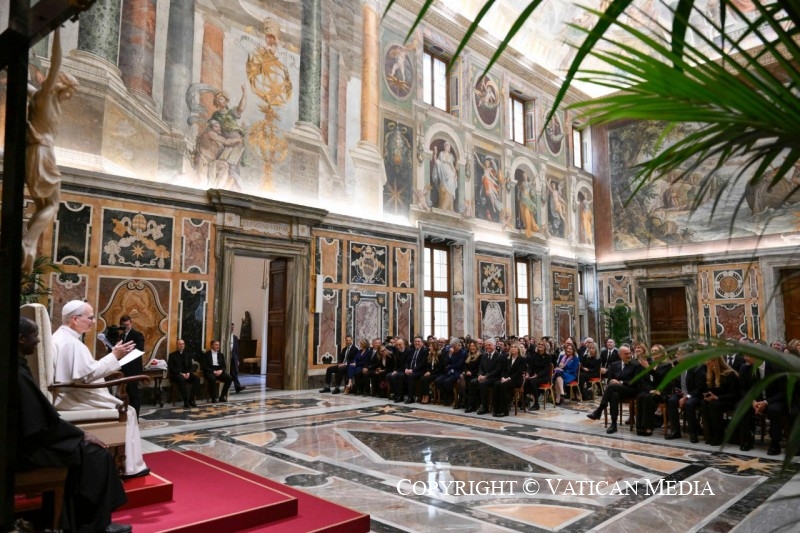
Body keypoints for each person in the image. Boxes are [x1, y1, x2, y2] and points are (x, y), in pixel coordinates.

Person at [17, 317, 131, 533]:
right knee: (98, 454)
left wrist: (76, 435)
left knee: (86, 449)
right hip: (28, 447)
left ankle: (75, 520)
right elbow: (44, 420)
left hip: (36, 432)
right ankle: (93, 525)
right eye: (89, 317)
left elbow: (41, 417)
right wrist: (80, 435)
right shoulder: (69, 344)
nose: (39, 341)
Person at [52, 300, 149, 478]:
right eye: (90, 317)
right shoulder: (71, 344)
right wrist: (114, 356)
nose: (93, 321)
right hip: (74, 398)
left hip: (68, 393)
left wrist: (111, 358)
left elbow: (83, 371)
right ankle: (129, 466)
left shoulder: (60, 337)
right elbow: (88, 375)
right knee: (129, 411)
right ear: (75, 319)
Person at [22, 28, 78, 274]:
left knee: (42, 204)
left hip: (33, 153)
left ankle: (28, 243)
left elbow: (23, 85)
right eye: (71, 90)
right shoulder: (46, 97)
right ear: (62, 86)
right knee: (52, 205)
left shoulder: (38, 98)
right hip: (44, 154)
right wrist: (56, 28)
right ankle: (27, 242)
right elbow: (56, 62)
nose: (71, 95)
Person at [586, 345, 640, 434]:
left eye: (630, 353)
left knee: (611, 388)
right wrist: (612, 381)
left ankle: (599, 410)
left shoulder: (635, 365)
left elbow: (635, 381)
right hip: (616, 390)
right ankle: (614, 424)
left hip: (631, 389)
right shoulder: (614, 365)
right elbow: (610, 380)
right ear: (620, 355)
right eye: (626, 354)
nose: (629, 355)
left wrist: (620, 382)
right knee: (614, 395)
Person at [700, 357, 740, 446]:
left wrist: (717, 397)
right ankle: (711, 433)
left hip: (731, 401)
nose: (707, 363)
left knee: (714, 404)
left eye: (708, 361)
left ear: (715, 362)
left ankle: (718, 435)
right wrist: (708, 395)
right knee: (704, 402)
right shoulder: (712, 374)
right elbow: (713, 391)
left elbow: (734, 394)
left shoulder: (729, 374)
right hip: (719, 400)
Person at [466, 340, 506, 414]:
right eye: (486, 345)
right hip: (484, 376)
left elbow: (497, 370)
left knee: (482, 383)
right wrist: (480, 375)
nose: (487, 346)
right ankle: (472, 405)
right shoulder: (484, 355)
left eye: (489, 345)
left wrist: (485, 376)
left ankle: (485, 406)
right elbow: (480, 367)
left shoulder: (499, 356)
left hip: (494, 377)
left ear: (494, 346)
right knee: (472, 382)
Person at [118, 314, 144, 414]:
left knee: (134, 393)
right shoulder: (121, 336)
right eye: (124, 325)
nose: (126, 327)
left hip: (133, 370)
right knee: (125, 393)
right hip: (123, 369)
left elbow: (140, 349)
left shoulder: (137, 334)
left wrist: (128, 350)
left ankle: (135, 416)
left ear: (131, 323)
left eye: (128, 325)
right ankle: (127, 414)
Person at [493, 342, 525, 417]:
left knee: (503, 386)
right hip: (506, 379)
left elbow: (518, 372)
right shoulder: (507, 358)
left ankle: (504, 410)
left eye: (515, 347)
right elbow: (504, 370)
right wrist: (503, 377)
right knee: (496, 384)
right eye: (512, 347)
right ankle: (496, 409)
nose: (513, 348)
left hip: (516, 380)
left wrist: (508, 378)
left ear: (518, 349)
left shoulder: (522, 359)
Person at [167, 339, 199, 408]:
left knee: (197, 379)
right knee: (181, 379)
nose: (182, 345)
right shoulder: (172, 355)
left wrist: (188, 373)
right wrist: (181, 373)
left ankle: (191, 399)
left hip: (186, 374)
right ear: (177, 345)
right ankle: (186, 401)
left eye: (183, 344)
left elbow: (191, 366)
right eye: (180, 344)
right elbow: (171, 368)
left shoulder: (188, 354)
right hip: (176, 375)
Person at [523, 339, 551, 410]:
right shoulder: (534, 356)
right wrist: (528, 374)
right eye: (539, 344)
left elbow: (546, 370)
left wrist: (537, 375)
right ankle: (524, 401)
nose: (540, 346)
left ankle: (536, 404)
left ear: (545, 347)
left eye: (542, 345)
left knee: (532, 382)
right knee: (526, 381)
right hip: (534, 376)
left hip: (543, 376)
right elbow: (530, 367)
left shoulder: (548, 357)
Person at [431, 142, 458, 211]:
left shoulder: (451, 156)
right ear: (445, 147)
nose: (448, 147)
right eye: (447, 146)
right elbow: (437, 161)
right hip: (443, 171)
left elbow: (452, 166)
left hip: (450, 173)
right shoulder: (441, 154)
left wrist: (455, 174)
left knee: (451, 187)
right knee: (444, 187)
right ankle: (444, 206)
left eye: (449, 146)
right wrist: (435, 153)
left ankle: (450, 207)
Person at [229, 322, 246, 393]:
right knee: (231, 373)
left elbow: (236, 350)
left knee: (234, 372)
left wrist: (237, 359)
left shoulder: (235, 337)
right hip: (226, 357)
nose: (232, 329)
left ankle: (237, 387)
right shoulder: (225, 337)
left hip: (233, 357)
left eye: (233, 328)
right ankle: (237, 386)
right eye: (231, 327)